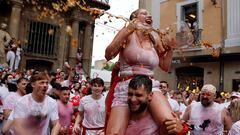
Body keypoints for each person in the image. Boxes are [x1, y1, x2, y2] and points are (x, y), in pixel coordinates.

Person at [105, 8, 180, 135]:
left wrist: (171, 49)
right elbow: (108, 54)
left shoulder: (154, 39)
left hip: (150, 86)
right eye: (144, 13)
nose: (149, 16)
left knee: (170, 124)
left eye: (150, 14)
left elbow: (165, 66)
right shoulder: (127, 33)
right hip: (127, 87)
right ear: (134, 17)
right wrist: (128, 29)